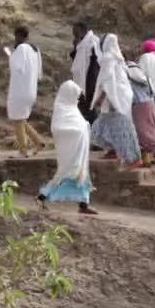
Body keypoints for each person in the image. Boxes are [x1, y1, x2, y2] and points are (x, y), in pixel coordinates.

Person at [38, 81, 97, 215]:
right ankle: (41, 197)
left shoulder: (71, 108)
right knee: (65, 174)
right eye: (75, 96)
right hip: (70, 150)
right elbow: (58, 128)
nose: (76, 99)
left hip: (79, 150)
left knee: (82, 174)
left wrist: (83, 127)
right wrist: (78, 130)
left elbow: (78, 124)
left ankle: (84, 204)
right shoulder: (62, 108)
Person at [91, 34, 142, 171]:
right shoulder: (116, 57)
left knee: (120, 129)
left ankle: (133, 159)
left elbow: (107, 81)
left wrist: (100, 99)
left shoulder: (109, 58)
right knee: (107, 125)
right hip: (120, 96)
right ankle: (113, 151)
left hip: (115, 98)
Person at [7, 26, 45, 158]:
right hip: (31, 89)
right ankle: (38, 142)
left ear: (19, 36)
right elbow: (39, 73)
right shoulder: (35, 49)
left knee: (17, 119)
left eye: (16, 36)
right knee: (21, 118)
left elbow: (17, 68)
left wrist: (11, 55)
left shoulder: (21, 49)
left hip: (20, 89)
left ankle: (23, 151)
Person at [127, 60, 155, 167]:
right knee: (149, 129)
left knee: (141, 131)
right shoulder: (139, 70)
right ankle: (148, 158)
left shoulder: (127, 70)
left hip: (138, 103)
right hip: (149, 102)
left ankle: (144, 159)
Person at [70, 22, 100, 124]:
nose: (74, 35)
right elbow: (76, 60)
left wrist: (92, 82)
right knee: (81, 105)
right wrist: (76, 46)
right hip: (80, 80)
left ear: (82, 30)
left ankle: (92, 129)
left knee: (90, 107)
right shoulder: (80, 42)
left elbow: (96, 62)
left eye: (76, 33)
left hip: (90, 79)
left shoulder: (93, 42)